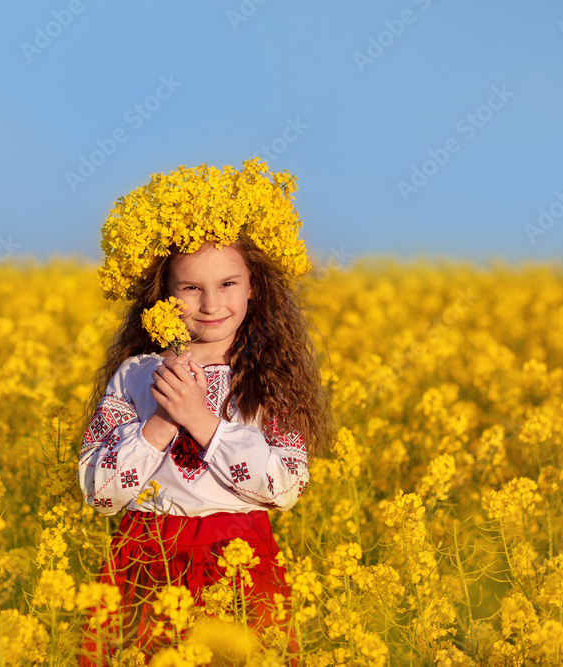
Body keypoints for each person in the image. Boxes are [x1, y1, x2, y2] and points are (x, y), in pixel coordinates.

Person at [77, 159, 333, 664]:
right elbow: (99, 493)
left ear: (254, 286)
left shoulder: (267, 378)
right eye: (190, 288)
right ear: (162, 296)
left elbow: (285, 487)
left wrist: (203, 422)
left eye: (228, 284)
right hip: (146, 567)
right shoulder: (135, 376)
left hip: (238, 564)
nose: (211, 303)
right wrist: (160, 422)